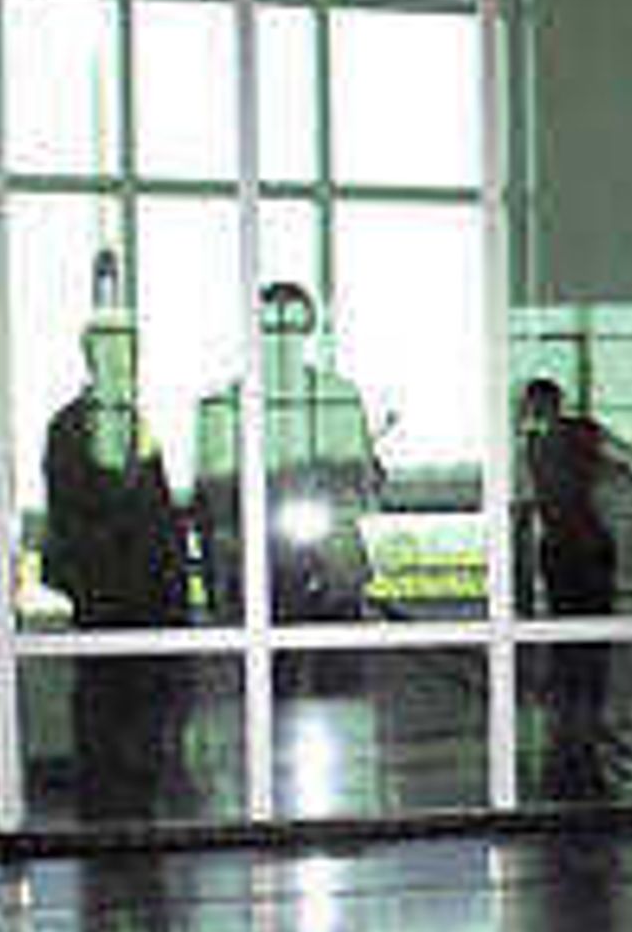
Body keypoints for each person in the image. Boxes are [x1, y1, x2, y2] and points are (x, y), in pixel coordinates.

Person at [42, 300, 194, 820]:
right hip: (111, 593)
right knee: (109, 701)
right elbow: (84, 513)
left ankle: (128, 799)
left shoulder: (132, 424)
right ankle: (110, 801)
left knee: (130, 701)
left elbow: (156, 514)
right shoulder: (76, 428)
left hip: (136, 594)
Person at [191, 281, 382, 626]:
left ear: (307, 331)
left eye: (292, 327)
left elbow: (361, 485)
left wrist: (347, 487)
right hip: (257, 568)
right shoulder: (222, 408)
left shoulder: (337, 398)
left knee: (339, 670)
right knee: (270, 672)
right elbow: (214, 506)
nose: (282, 340)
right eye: (270, 328)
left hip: (331, 571)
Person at [516, 375, 626, 798]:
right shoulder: (584, 437)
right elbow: (627, 466)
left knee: (574, 651)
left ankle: (578, 736)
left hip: (570, 553)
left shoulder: (539, 450)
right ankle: (582, 733)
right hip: (586, 551)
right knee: (586, 651)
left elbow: (526, 512)